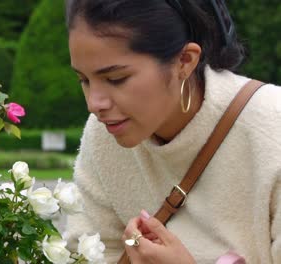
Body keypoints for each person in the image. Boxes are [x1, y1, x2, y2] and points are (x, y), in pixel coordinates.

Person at [64, 0, 281, 263]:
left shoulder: (271, 129)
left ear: (185, 61)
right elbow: (89, 253)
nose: (94, 104)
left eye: (115, 79)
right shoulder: (103, 135)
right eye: (84, 80)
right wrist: (130, 247)